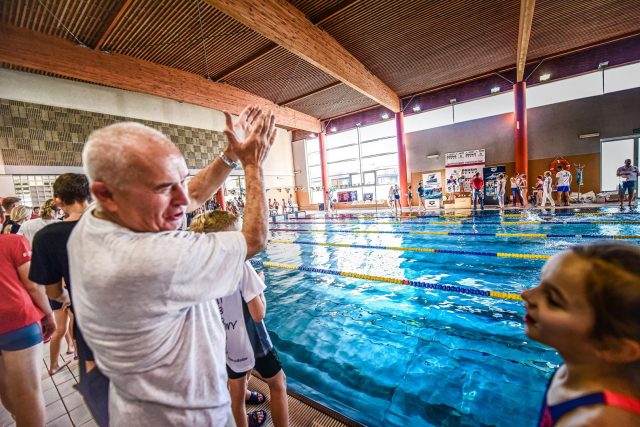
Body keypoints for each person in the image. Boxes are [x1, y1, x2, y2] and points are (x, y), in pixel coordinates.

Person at [69, 106, 275, 426]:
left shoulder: (97, 221)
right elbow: (253, 240)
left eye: (180, 180)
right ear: (105, 194)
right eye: (164, 188)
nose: (182, 198)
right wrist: (253, 164)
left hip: (139, 404)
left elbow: (192, 194)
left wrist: (230, 156)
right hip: (186, 416)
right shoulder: (145, 260)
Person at [521, 243, 640, 426]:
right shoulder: (576, 369)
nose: (527, 294)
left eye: (553, 300)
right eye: (541, 282)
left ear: (613, 347)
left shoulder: (596, 421)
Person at [190, 211, 289, 427]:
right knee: (278, 384)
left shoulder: (199, 271)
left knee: (235, 392)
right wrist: (260, 288)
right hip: (254, 340)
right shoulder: (242, 266)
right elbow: (258, 314)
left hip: (225, 341)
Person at [29, 174, 94, 382]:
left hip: (89, 322)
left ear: (58, 200)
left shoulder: (48, 237)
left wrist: (67, 299)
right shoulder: (117, 223)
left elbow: (53, 291)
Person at [0, 233, 56, 426]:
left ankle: (19, 418)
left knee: (4, 388)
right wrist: (48, 314)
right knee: (27, 393)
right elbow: (33, 285)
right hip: (18, 322)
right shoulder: (13, 242)